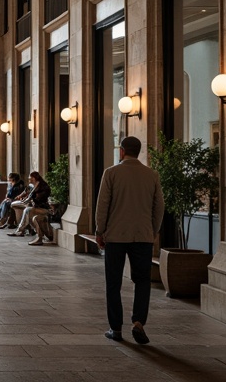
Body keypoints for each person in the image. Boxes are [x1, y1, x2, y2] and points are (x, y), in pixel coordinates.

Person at [94, 135, 164, 345]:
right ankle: (138, 322)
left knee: (113, 282)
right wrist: (152, 231)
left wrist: (100, 231)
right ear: (139, 151)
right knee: (143, 280)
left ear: (122, 151)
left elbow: (103, 205)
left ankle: (115, 328)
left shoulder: (111, 173)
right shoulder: (152, 175)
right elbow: (159, 207)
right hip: (142, 236)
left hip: (115, 236)